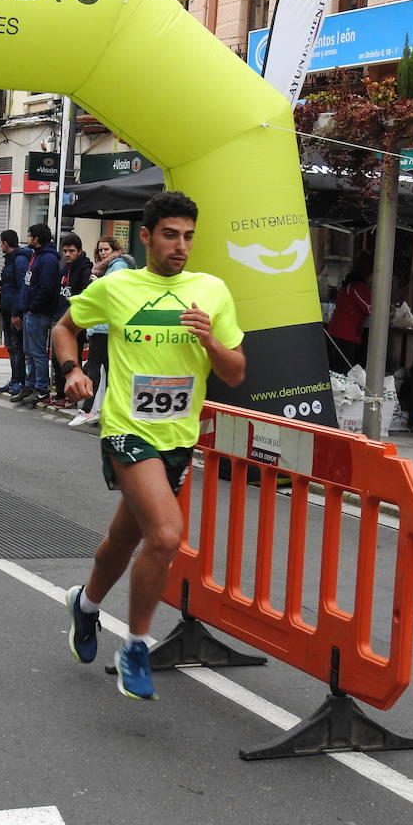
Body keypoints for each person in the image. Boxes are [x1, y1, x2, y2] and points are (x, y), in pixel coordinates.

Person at [52, 191, 245, 700]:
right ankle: (136, 644)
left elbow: (236, 371)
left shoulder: (211, 291)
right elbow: (65, 327)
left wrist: (211, 342)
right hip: (126, 430)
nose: (180, 246)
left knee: (124, 538)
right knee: (164, 536)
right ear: (146, 235)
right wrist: (72, 370)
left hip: (178, 439)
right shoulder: (119, 288)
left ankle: (86, 606)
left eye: (188, 236)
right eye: (169, 234)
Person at [69, 235, 135, 428]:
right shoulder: (109, 266)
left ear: (114, 249)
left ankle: (88, 409)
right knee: (107, 370)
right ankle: (106, 411)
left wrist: (97, 281)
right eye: (100, 250)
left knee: (94, 367)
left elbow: (113, 292)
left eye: (106, 249)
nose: (103, 253)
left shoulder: (118, 266)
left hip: (105, 326)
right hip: (103, 326)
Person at [10, 222, 61, 408]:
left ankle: (41, 388)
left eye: (30, 235)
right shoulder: (36, 256)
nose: (28, 238)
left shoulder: (47, 259)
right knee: (28, 352)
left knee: (37, 352)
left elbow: (46, 287)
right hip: (30, 311)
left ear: (36, 239)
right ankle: (30, 386)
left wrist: (33, 306)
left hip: (38, 312)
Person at [46, 233, 92, 408]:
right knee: (56, 360)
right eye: (65, 251)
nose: (67, 254)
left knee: (71, 361)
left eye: (71, 251)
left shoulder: (84, 270)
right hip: (59, 319)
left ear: (79, 251)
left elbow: (82, 297)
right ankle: (59, 393)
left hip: (74, 324)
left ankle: (70, 397)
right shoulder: (64, 269)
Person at [0, 229, 30, 396]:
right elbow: (11, 284)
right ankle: (15, 379)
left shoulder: (19, 260)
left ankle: (19, 381)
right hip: (6, 307)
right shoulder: (10, 260)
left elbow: (21, 287)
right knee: (11, 346)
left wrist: (16, 313)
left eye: (1, 242)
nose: (0, 245)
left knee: (16, 346)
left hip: (14, 310)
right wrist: (0, 285)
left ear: (5, 243)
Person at [325, 250, 373, 374]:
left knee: (338, 372)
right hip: (345, 335)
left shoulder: (348, 285)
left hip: (337, 332)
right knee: (346, 372)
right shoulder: (357, 287)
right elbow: (371, 309)